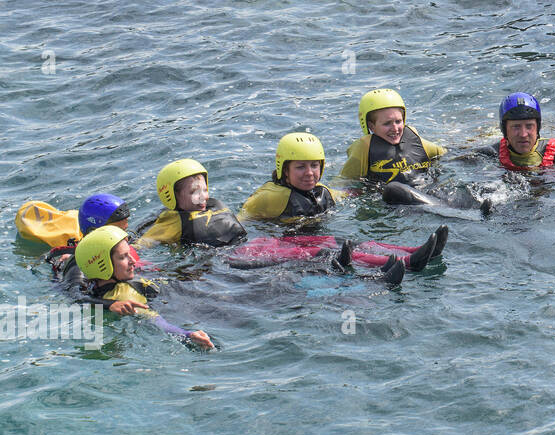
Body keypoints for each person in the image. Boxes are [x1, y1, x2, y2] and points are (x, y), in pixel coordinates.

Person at [236, 132, 446, 282]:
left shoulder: (321, 191)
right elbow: (239, 224)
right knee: (334, 253)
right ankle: (408, 263)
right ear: (284, 169)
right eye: (300, 167)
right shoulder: (269, 197)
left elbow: (344, 194)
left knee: (352, 243)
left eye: (314, 165)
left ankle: (414, 251)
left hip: (309, 241)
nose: (309, 173)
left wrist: (368, 189)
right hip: (284, 247)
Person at [342, 88, 487, 212]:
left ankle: (477, 208)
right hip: (400, 204)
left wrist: (474, 152)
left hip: (429, 192)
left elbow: (445, 153)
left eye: (398, 121)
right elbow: (342, 182)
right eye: (387, 123)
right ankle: (452, 212)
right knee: (394, 189)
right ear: (371, 126)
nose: (395, 128)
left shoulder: (413, 138)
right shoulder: (364, 148)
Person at [72, 225, 214, 348]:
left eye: (129, 254)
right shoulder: (123, 296)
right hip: (194, 301)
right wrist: (187, 335)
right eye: (123, 257)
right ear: (102, 265)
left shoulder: (92, 287)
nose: (133, 260)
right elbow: (156, 322)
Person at [135, 159, 247, 247]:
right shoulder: (171, 223)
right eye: (194, 192)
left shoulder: (215, 206)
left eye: (205, 190)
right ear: (172, 196)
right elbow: (142, 245)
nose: (203, 197)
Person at [472, 93, 555, 170]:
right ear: (504, 130)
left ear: (538, 128)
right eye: (516, 127)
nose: (523, 134)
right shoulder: (489, 154)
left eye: (529, 126)